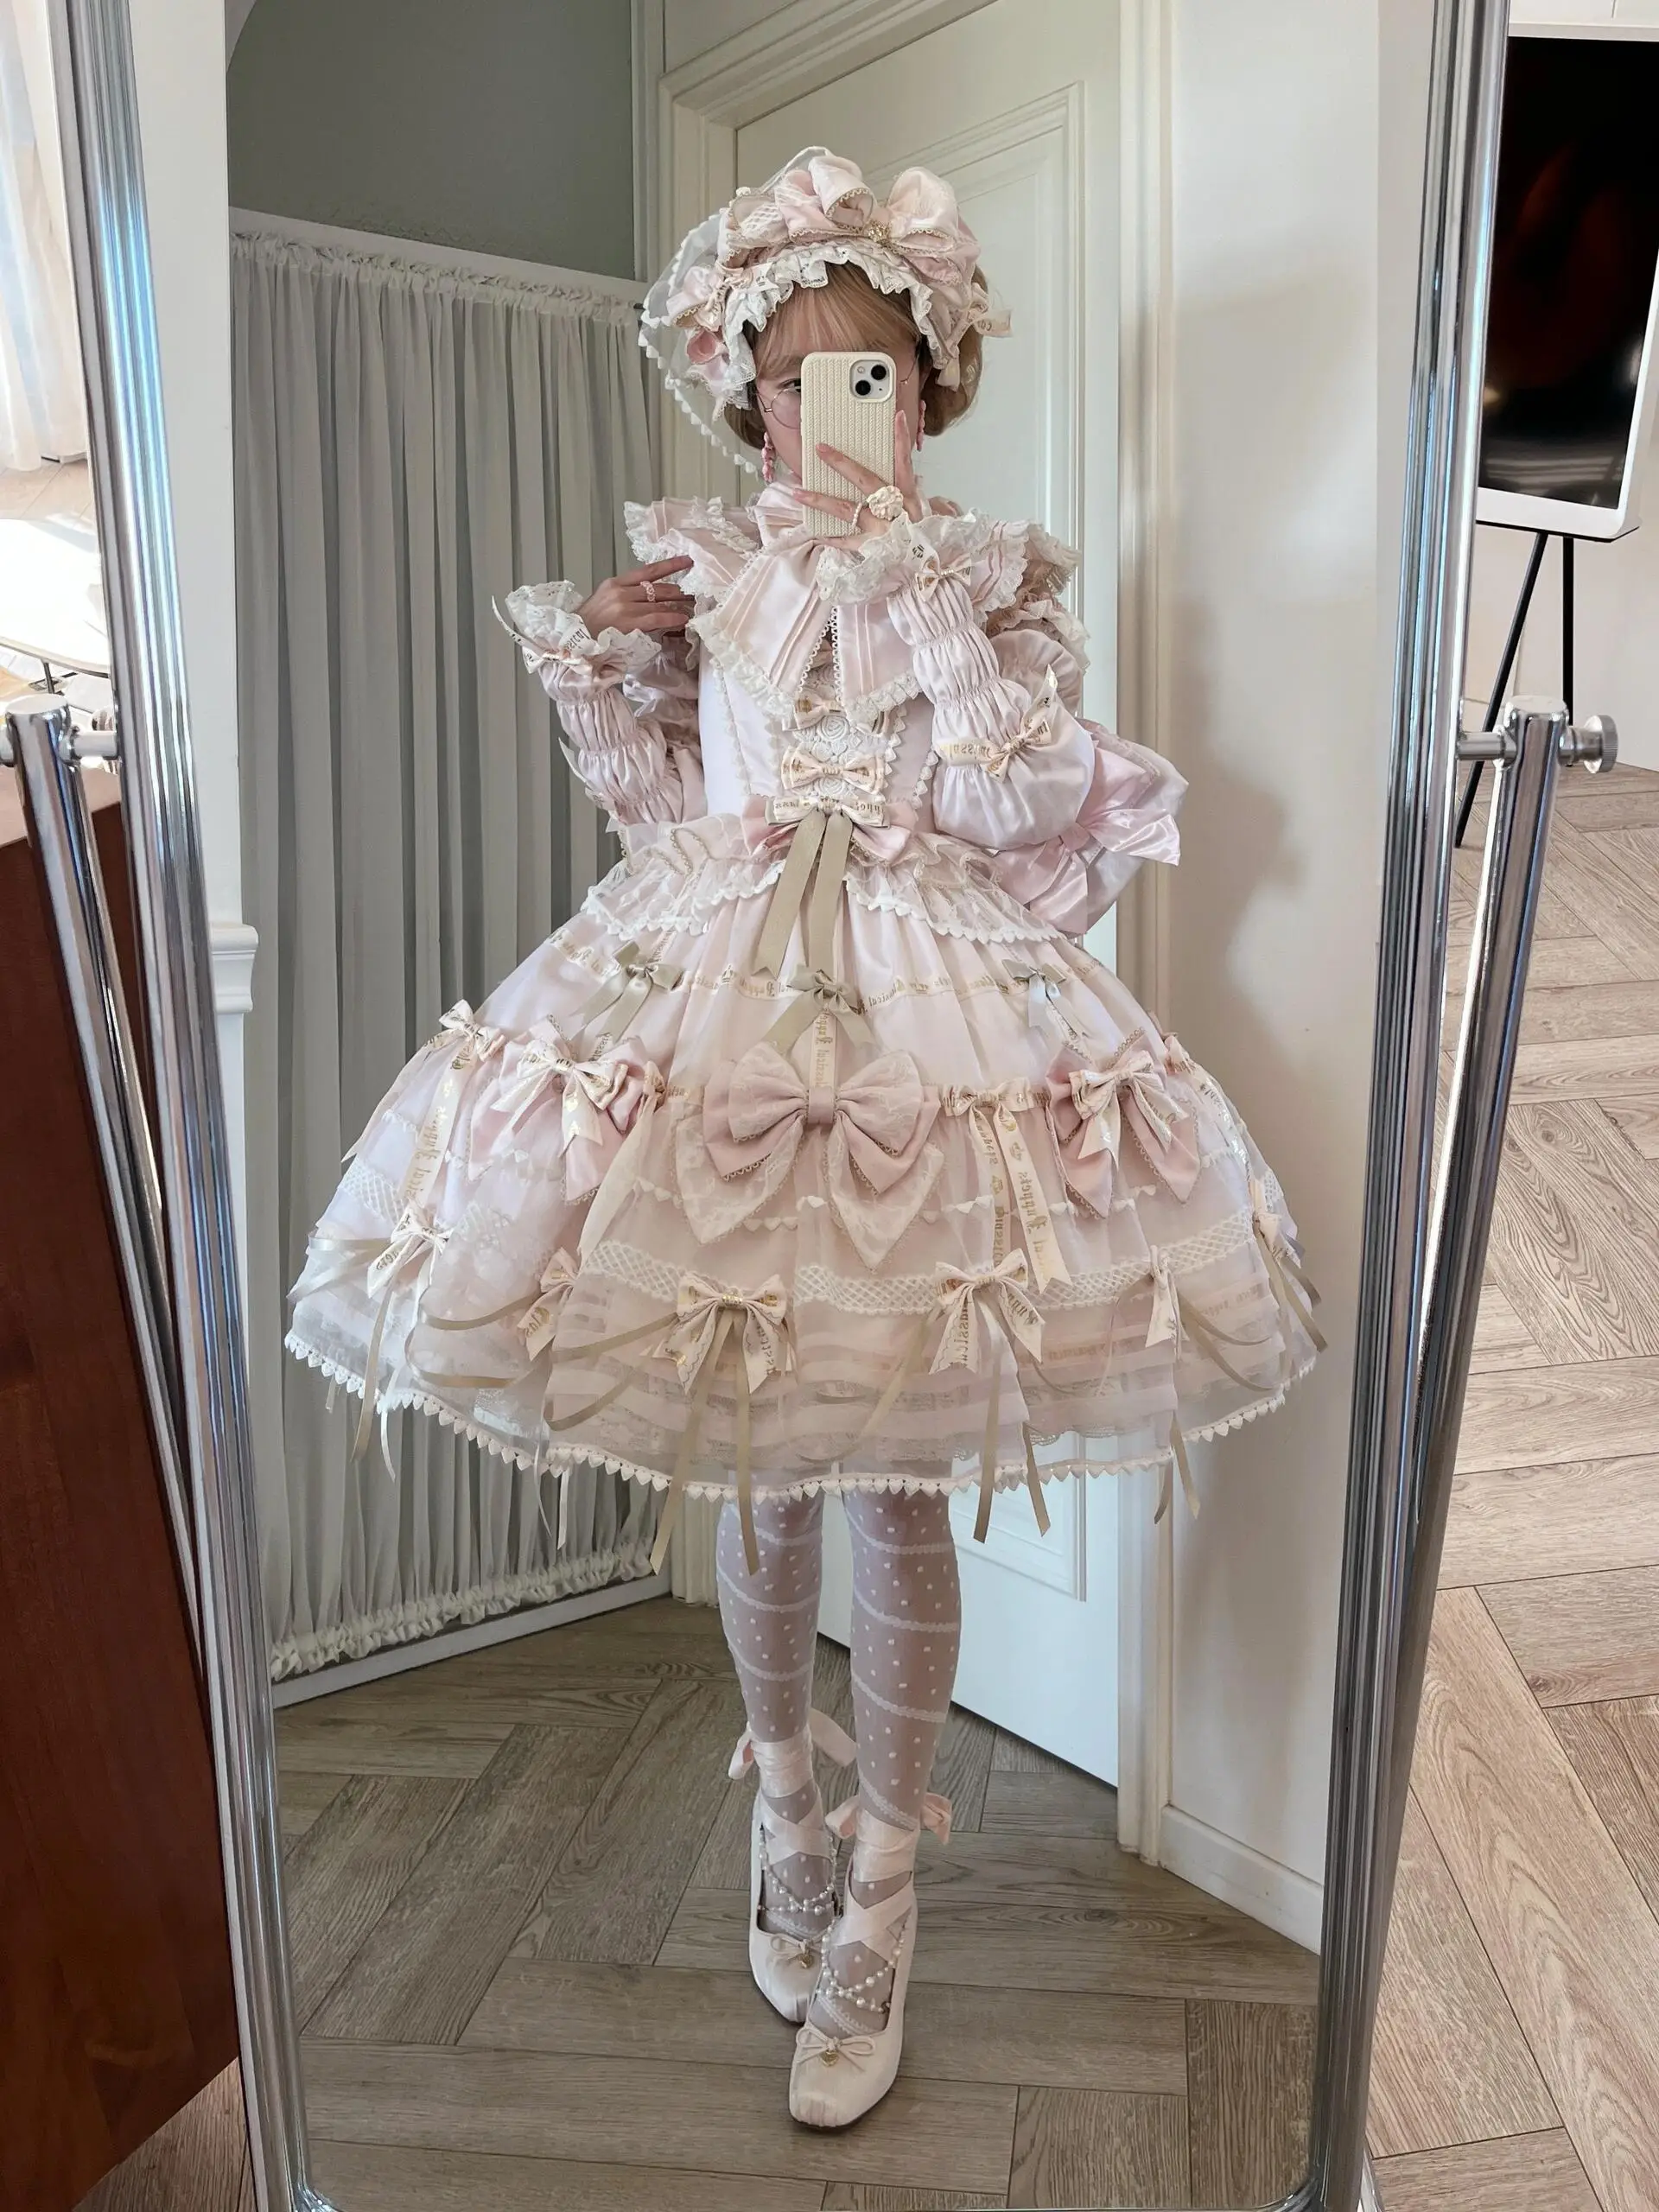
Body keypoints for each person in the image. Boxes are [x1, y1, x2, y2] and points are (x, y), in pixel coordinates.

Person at [287, 147, 1321, 2128]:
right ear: (745, 402)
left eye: (866, 375)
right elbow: (669, 820)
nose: (823, 411)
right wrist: (619, 656)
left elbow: (1009, 817)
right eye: (788, 382)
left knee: (895, 1490)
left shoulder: (992, 592)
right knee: (763, 1475)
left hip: (928, 1022)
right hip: (729, 1007)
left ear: (926, 391)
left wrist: (918, 603)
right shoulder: (710, 575)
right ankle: (785, 1809)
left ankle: (889, 1890)